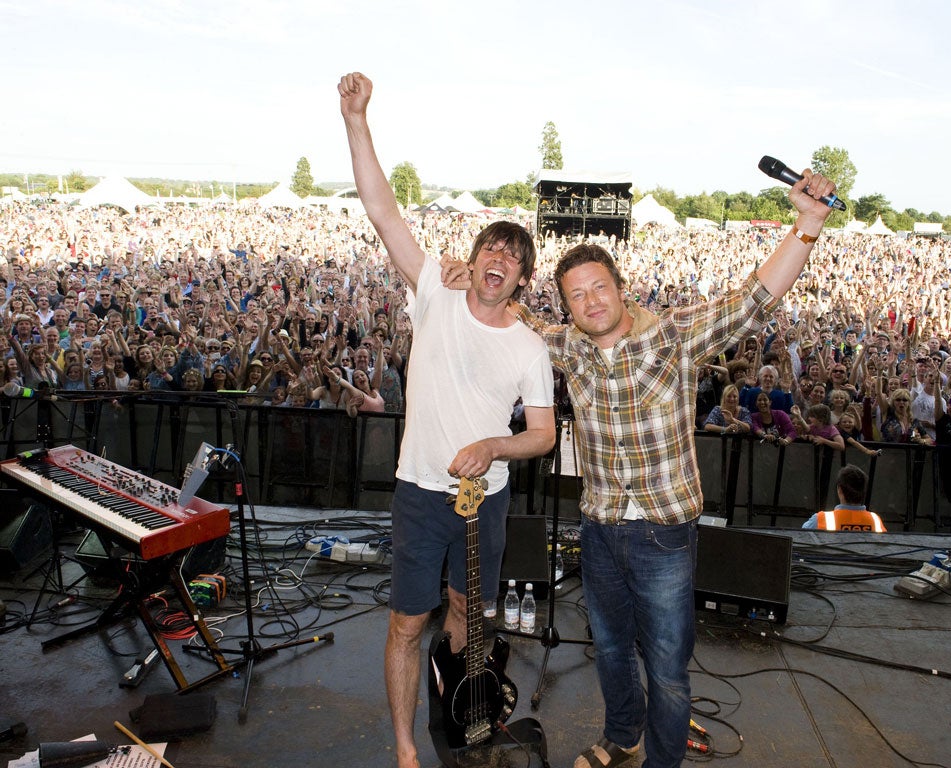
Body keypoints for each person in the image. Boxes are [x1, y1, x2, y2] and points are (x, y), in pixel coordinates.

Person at [444, 165, 839, 768]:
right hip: (600, 529)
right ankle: (622, 737)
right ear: (567, 305)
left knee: (669, 667)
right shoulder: (567, 346)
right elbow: (507, 316)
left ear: (620, 287)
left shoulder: (674, 336)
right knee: (608, 650)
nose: (589, 301)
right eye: (576, 294)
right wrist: (460, 279)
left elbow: (755, 297)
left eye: (598, 287)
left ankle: (661, 761)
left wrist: (807, 225)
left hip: (663, 534)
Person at [338, 71, 556, 768]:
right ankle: (405, 747)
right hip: (418, 491)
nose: (501, 259)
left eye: (515, 258)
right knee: (407, 622)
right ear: (474, 258)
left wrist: (494, 444)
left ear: (522, 280)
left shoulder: (528, 343)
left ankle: (464, 718)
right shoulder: (433, 287)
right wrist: (357, 122)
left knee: (471, 618)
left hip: (483, 504)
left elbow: (544, 434)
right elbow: (383, 211)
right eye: (493, 247)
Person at [802, 465, 886, 531]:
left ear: (839, 490)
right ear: (864, 490)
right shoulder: (875, 520)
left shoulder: (820, 519)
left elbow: (800, 539)